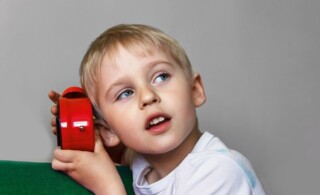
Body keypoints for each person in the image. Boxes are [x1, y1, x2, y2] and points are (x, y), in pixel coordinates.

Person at [49, 24, 266, 194]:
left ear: (195, 90)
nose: (148, 96)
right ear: (109, 131)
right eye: (125, 93)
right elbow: (127, 153)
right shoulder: (145, 165)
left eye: (161, 77)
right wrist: (88, 135)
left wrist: (108, 187)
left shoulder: (217, 171)